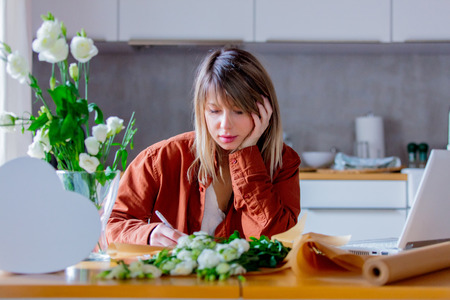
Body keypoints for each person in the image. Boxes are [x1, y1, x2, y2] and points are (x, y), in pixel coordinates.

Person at [106, 48, 301, 247]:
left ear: (264, 110)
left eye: (239, 111)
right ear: (202, 110)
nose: (225, 125)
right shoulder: (160, 159)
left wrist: (247, 159)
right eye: (214, 110)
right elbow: (108, 226)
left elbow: (276, 241)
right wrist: (147, 234)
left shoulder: (283, 162)